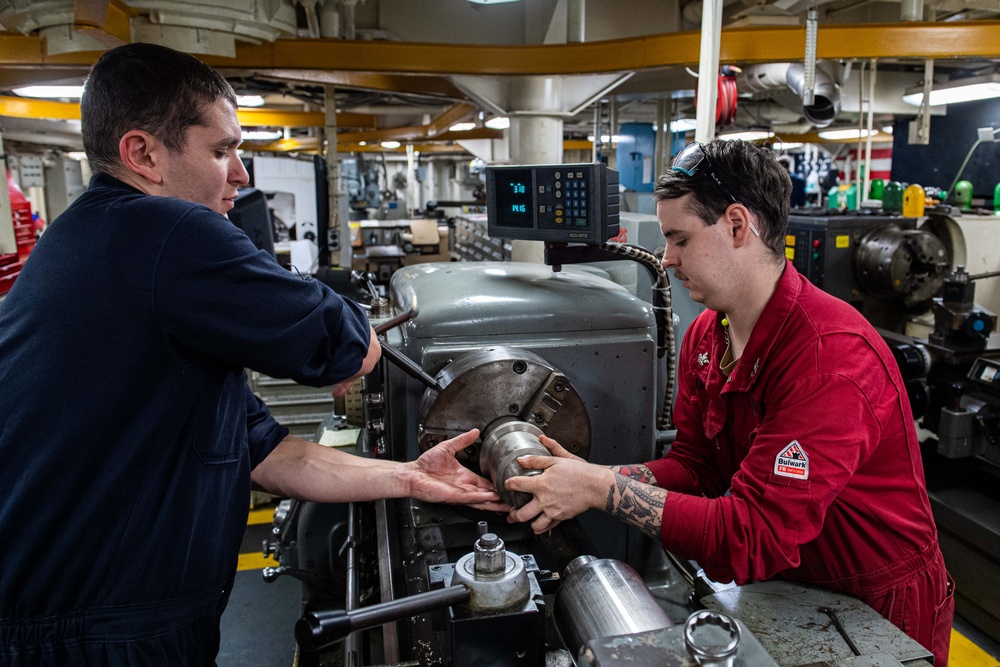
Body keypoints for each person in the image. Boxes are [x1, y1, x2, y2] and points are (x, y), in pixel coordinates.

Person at [0, 43, 503, 665]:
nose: (241, 175)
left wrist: (410, 478)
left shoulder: (96, 244)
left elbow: (266, 453)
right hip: (92, 635)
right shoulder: (164, 232)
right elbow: (346, 347)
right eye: (221, 151)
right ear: (143, 155)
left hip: (94, 617)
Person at [507, 140, 955, 665]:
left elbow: (753, 533)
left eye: (680, 239)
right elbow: (695, 468)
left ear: (738, 226)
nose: (666, 259)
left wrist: (603, 489)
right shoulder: (707, 334)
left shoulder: (827, 359)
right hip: (789, 588)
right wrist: (588, 477)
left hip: (875, 606)